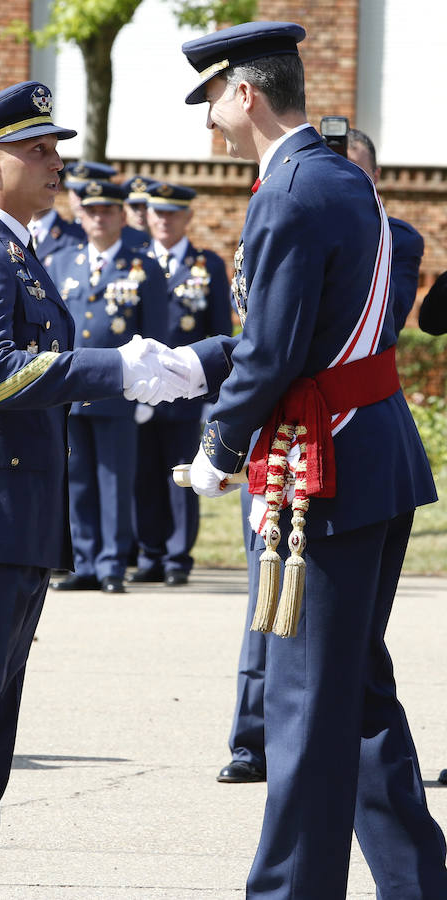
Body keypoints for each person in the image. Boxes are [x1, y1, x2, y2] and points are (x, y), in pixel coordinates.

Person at [141, 20, 447, 897]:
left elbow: (272, 351)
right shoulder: (344, 177)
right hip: (376, 455)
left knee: (304, 702)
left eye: (212, 99)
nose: (209, 121)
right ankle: (418, 881)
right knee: (354, 693)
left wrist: (217, 448)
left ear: (247, 92)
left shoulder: (289, 191)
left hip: (331, 465)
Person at [0, 80, 186, 899]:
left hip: (12, 515)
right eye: (37, 150)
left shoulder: (17, 249)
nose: (54, 162)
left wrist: (135, 376)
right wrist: (117, 369)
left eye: (53, 148)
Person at [217, 123, 429, 786]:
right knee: (342, 676)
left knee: (319, 684)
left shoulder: (302, 200)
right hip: (316, 442)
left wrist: (220, 440)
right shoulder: (298, 200)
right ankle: (412, 880)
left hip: (328, 448)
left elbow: (289, 347)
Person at [48, 178, 169, 593]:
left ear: (122, 215)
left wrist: (151, 389)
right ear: (80, 215)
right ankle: (83, 561)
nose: (99, 218)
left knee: (115, 479)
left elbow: (156, 334)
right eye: (91, 210)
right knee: (76, 478)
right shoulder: (62, 262)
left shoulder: (143, 267)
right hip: (71, 387)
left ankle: (113, 564)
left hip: (121, 390)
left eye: (108, 210)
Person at [130, 181, 232, 586]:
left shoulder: (207, 266)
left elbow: (221, 335)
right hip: (138, 388)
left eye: (173, 213)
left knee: (182, 476)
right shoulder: (132, 262)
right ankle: (148, 554)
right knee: (143, 475)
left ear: (188, 217)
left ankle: (176, 558)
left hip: (187, 394)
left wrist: (216, 395)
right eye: (157, 212)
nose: (164, 220)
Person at [347, 127, 424, 333]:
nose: (343, 180)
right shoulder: (305, 229)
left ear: (376, 175)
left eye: (355, 171)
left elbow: (392, 317)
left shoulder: (400, 239)